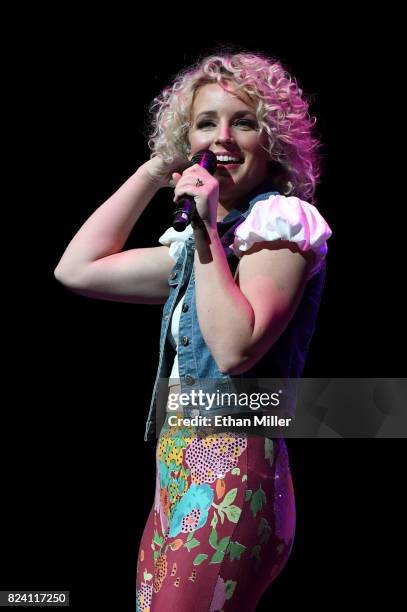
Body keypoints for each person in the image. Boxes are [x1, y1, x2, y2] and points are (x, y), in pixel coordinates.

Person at [55, 50, 332, 611]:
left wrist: (205, 228)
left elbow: (234, 350)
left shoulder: (279, 226)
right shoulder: (202, 247)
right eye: (207, 123)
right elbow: (76, 269)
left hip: (232, 473)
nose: (222, 137)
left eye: (244, 121)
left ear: (272, 141)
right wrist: (156, 170)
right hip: (175, 478)